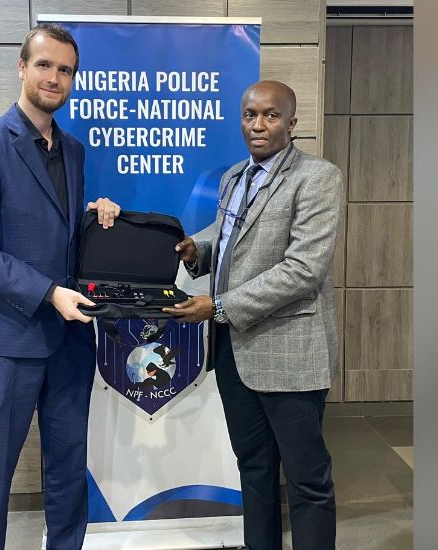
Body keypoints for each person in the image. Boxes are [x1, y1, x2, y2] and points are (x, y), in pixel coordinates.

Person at [0, 23, 120, 550]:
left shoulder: (73, 150)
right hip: (3, 339)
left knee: (68, 472)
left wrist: (96, 218)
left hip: (68, 342)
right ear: (22, 67)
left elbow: (57, 235)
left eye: (65, 70)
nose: (54, 78)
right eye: (44, 65)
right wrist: (49, 293)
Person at [165, 80, 343, 549]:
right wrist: (197, 252)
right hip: (233, 352)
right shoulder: (233, 178)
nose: (258, 125)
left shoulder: (317, 177)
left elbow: (303, 270)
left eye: (270, 115)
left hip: (291, 356)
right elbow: (231, 243)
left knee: (307, 480)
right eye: (250, 115)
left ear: (292, 123)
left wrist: (218, 307)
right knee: (254, 469)